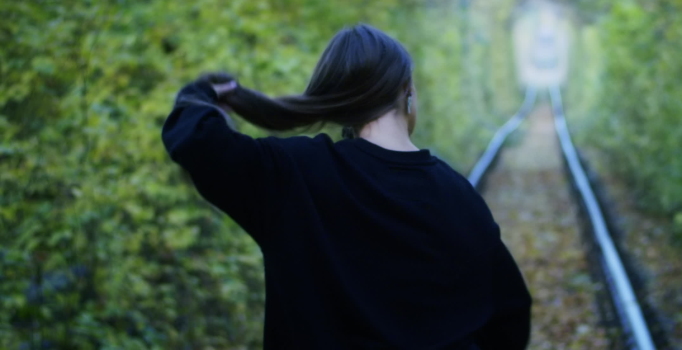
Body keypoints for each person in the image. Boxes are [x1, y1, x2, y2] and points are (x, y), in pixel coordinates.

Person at [162, 24, 531, 349]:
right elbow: (510, 316)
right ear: (407, 91)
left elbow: (196, 139)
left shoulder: (292, 176)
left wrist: (207, 91)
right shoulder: (458, 196)